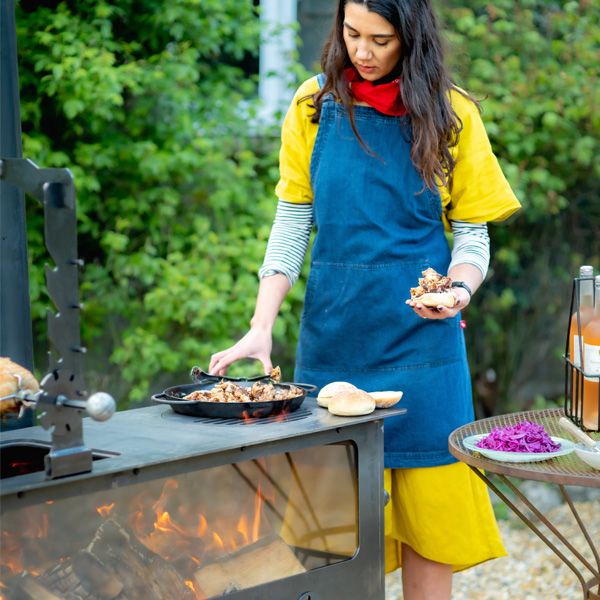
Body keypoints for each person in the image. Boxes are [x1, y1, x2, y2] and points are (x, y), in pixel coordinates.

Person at [209, 0, 521, 598]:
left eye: (381, 39)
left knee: (432, 525)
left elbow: (474, 235)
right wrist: (259, 324)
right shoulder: (312, 105)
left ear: (412, 38)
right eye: (352, 34)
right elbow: (293, 221)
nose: (363, 51)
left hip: (425, 348)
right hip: (335, 340)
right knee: (333, 533)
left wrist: (458, 290)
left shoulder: (452, 113)